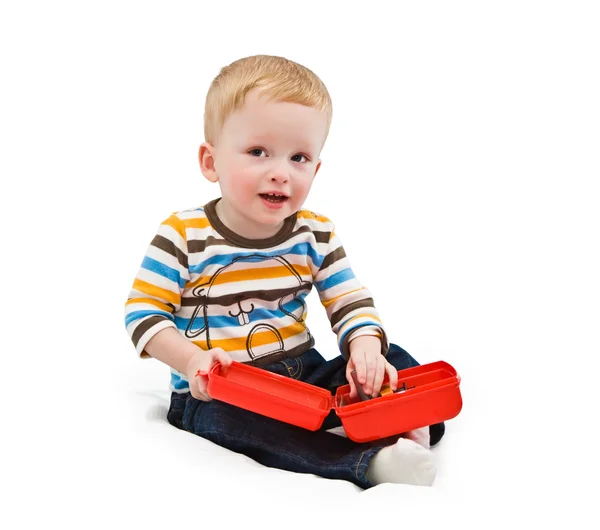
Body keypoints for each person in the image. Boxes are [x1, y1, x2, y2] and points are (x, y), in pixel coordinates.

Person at [124, 54, 445, 489]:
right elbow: (143, 317)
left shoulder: (314, 233)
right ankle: (366, 461)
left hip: (303, 376)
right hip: (224, 391)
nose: (280, 173)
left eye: (298, 157)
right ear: (210, 161)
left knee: (395, 360)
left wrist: (364, 347)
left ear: (315, 168)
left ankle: (396, 421)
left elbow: (349, 300)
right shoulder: (183, 234)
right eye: (258, 152)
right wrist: (194, 361)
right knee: (224, 423)